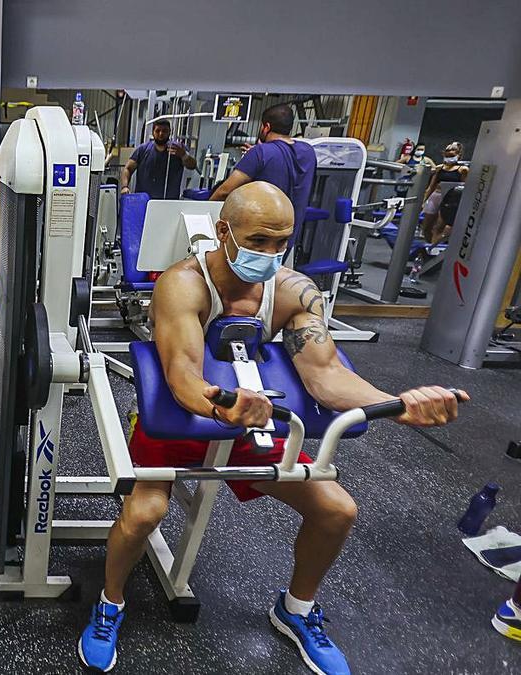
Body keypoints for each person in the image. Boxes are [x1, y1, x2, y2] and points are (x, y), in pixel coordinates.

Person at [77, 182, 466, 675]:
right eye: (259, 241)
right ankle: (111, 604)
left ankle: (295, 610)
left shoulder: (293, 290)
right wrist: (224, 408)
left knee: (337, 510)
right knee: (145, 514)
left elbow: (325, 374)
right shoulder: (182, 285)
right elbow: (182, 377)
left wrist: (394, 404)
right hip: (188, 418)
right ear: (224, 232)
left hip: (251, 422)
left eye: (281, 242)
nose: (271, 254)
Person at [210, 105, 317, 250]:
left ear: (266, 127)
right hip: (286, 238)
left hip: (259, 238)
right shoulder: (309, 152)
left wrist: (203, 211)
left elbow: (224, 191)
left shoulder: (261, 152)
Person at [120, 119, 197, 199]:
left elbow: (193, 165)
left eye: (164, 131)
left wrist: (183, 155)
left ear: (169, 132)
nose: (161, 134)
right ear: (153, 132)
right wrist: (124, 186)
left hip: (169, 203)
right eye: (158, 131)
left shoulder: (178, 149)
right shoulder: (142, 150)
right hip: (144, 203)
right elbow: (128, 169)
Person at [420, 142, 468, 244]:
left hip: (450, 199)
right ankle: (429, 246)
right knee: (426, 227)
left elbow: (465, 188)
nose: (449, 155)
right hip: (436, 196)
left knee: (439, 227)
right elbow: (431, 187)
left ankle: (433, 249)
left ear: (458, 155)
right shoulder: (439, 168)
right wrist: (423, 201)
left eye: (452, 154)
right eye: (447, 153)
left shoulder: (463, 170)